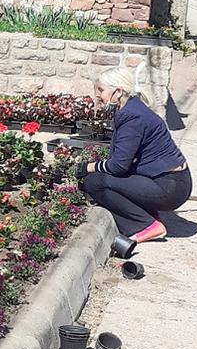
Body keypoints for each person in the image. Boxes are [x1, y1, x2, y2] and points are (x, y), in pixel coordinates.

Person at [81, 66, 191, 242]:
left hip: (169, 187)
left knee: (96, 182)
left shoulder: (132, 117)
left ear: (118, 92)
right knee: (107, 177)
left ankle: (146, 225)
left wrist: (88, 167)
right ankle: (148, 216)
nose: (97, 95)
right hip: (169, 181)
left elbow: (118, 166)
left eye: (101, 90)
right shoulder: (130, 108)